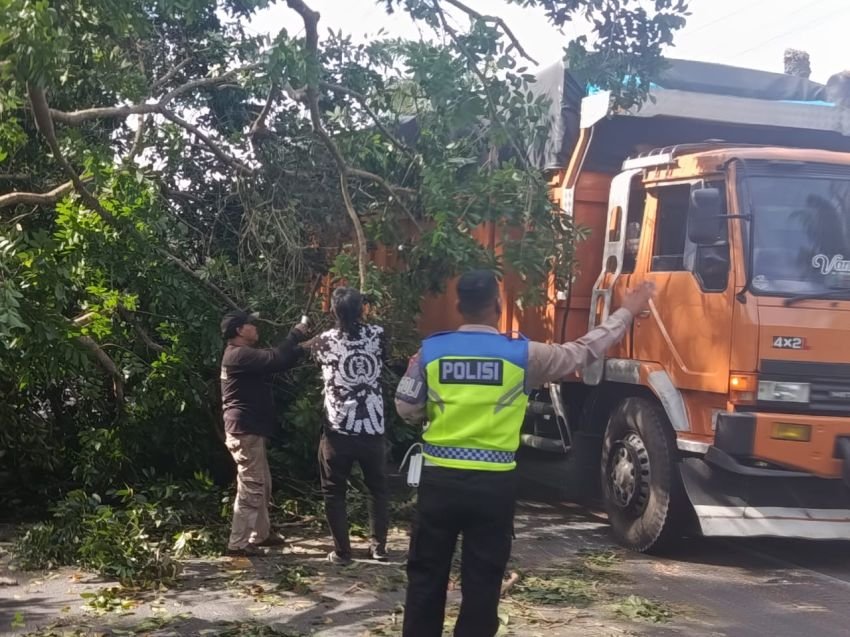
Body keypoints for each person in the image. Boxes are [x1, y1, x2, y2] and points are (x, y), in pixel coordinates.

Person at [395, 270, 655, 637]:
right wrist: (626, 311)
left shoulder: (431, 351)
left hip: (439, 482)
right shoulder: (523, 356)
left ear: (458, 307)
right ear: (498, 307)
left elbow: (406, 408)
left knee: (425, 577)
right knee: (483, 582)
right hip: (493, 488)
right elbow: (583, 350)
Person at [220, 310, 309, 557]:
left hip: (249, 431)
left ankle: (260, 534)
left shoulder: (241, 356)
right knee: (251, 486)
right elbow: (276, 358)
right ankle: (237, 544)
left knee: (262, 483)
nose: (255, 327)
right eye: (251, 324)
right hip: (245, 431)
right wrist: (296, 334)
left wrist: (302, 348)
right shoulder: (239, 355)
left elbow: (279, 361)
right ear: (240, 330)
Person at [310, 287, 390, 564]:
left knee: (334, 491)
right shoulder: (378, 335)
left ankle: (343, 552)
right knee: (377, 488)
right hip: (372, 427)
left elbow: (313, 360)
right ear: (362, 310)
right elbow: (385, 359)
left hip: (338, 429)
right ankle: (379, 547)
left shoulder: (322, 342)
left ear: (333, 311)